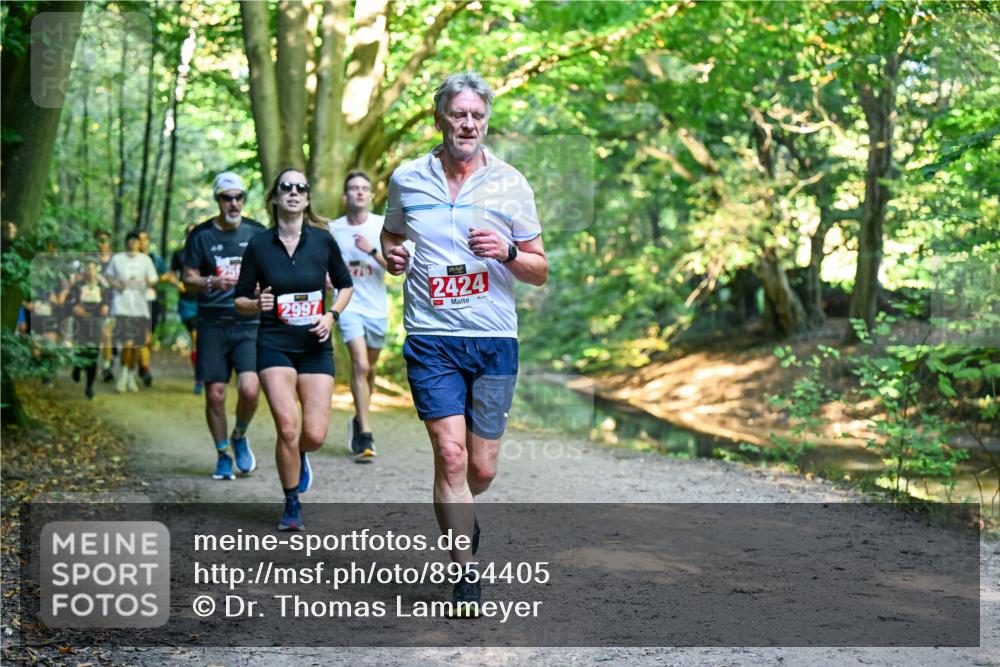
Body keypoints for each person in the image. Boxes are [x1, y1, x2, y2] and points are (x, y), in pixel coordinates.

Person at [381, 71, 548, 611]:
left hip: (494, 338)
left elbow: (539, 270)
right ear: (440, 118)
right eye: (459, 114)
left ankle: (460, 516)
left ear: (486, 122)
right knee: (451, 457)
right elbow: (391, 233)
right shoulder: (407, 178)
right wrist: (393, 254)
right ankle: (465, 575)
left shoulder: (512, 184)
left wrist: (505, 253)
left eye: (477, 115)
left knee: (480, 469)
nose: (468, 124)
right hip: (432, 336)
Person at [234, 168, 353, 531]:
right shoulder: (258, 245)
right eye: (286, 187)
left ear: (306, 198)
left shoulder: (322, 241)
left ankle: (300, 454)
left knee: (312, 435)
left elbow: (345, 286)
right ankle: (291, 502)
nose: (294, 192)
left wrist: (331, 316)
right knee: (288, 427)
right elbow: (239, 298)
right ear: (274, 197)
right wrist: (257, 304)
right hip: (274, 344)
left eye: (301, 187)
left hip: (315, 345)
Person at [182, 173, 266, 480]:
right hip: (213, 323)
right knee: (215, 394)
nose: (233, 203)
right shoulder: (201, 235)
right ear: (218, 200)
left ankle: (240, 435)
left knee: (250, 388)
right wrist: (210, 282)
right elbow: (187, 278)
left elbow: (275, 269)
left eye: (238, 197)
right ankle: (221, 454)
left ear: (244, 199)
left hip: (250, 322)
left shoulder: (257, 232)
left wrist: (264, 286)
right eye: (227, 198)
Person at [328, 171, 390, 462]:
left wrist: (371, 250)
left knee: (371, 369)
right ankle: (366, 434)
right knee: (360, 364)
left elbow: (394, 267)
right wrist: (327, 279)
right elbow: (323, 266)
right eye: (354, 188)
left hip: (377, 308)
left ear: (371, 195)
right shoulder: (333, 229)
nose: (360, 193)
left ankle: (358, 417)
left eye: (364, 188)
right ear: (345, 196)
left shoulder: (381, 225)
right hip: (348, 304)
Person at [104, 230, 159, 393]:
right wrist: (116, 284)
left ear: (139, 243)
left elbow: (154, 280)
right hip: (121, 306)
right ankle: (122, 375)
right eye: (130, 241)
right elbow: (107, 276)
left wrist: (149, 283)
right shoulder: (117, 259)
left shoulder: (146, 260)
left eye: (136, 241)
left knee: (135, 344)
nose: (133, 243)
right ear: (126, 242)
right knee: (126, 343)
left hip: (140, 308)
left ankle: (130, 375)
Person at [68, 259, 110, 399]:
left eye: (93, 269)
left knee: (93, 354)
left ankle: (89, 386)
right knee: (80, 349)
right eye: (88, 269)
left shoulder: (102, 287)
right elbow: (68, 303)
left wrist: (105, 307)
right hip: (80, 323)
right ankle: (77, 367)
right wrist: (74, 308)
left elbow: (107, 303)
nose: (91, 272)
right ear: (84, 271)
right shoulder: (77, 286)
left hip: (95, 322)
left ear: (97, 271)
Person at [137, 230, 171, 386]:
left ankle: (142, 364)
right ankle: (145, 368)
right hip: (135, 303)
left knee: (149, 340)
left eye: (145, 239)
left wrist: (154, 279)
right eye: (139, 240)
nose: (142, 243)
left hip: (153, 301)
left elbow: (166, 274)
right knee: (143, 337)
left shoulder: (155, 258)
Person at [171, 224, 201, 394]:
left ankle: (204, 374)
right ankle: (199, 378)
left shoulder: (206, 251)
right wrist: (178, 284)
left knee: (202, 340)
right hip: (187, 303)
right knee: (196, 337)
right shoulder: (179, 254)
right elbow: (170, 274)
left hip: (204, 302)